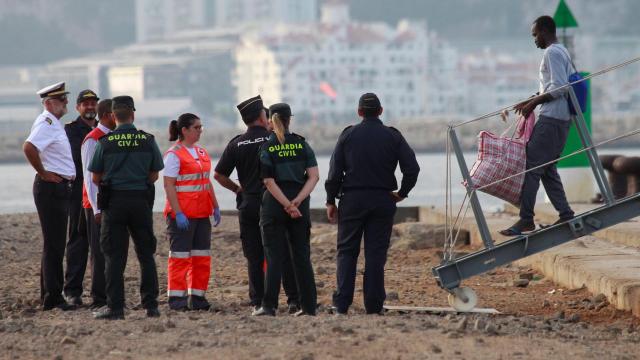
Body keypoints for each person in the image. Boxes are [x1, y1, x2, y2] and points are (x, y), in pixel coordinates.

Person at [325, 93, 420, 315]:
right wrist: (402, 193)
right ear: (381, 111)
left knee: (347, 251)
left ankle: (341, 305)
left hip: (352, 200)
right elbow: (412, 169)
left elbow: (334, 172)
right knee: (376, 254)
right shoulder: (393, 136)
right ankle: (374, 306)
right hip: (382, 199)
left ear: (359, 112)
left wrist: (330, 200)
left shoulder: (348, 135)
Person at [214, 95, 300, 313]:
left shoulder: (236, 143)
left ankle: (258, 302)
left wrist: (237, 189)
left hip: (248, 204)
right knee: (282, 253)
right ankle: (293, 300)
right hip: (273, 203)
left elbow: (219, 175)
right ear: (263, 117)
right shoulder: (274, 139)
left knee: (254, 257)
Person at [89, 95, 163, 320]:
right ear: (133, 114)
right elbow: (154, 174)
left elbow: (94, 177)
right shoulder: (147, 140)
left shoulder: (105, 143)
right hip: (140, 201)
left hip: (114, 203)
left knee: (114, 257)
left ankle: (116, 308)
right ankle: (151, 306)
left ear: (113, 116)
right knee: (146, 255)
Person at [499, 15, 575, 236]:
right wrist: (531, 99)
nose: (534, 40)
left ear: (544, 31)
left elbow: (559, 87)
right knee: (547, 169)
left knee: (531, 167)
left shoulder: (551, 52)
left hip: (552, 119)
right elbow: (553, 85)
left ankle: (526, 219)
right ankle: (565, 213)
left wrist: (534, 102)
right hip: (559, 119)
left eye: (535, 35)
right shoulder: (563, 51)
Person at [252, 102, 319, 317]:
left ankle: (269, 306)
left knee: (274, 256)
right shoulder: (302, 144)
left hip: (274, 205)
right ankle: (308, 307)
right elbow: (314, 176)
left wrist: (285, 205)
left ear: (270, 121)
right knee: (301, 256)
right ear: (291, 119)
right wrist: (297, 201)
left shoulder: (267, 146)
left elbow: (269, 182)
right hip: (300, 205)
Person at [23, 81, 78, 311]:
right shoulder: (46, 122)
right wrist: (43, 173)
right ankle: (53, 297)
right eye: (61, 99)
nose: (66, 103)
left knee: (53, 244)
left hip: (59, 188)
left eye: (65, 98)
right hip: (51, 188)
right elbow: (29, 147)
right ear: (48, 103)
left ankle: (49, 293)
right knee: (54, 245)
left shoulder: (54, 123)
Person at [163, 113, 221, 311]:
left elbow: (206, 181)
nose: (200, 131)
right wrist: (178, 212)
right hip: (183, 216)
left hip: (202, 214)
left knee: (201, 257)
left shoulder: (201, 152)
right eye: (196, 127)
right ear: (185, 130)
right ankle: (177, 300)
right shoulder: (174, 154)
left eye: (200, 127)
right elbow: (169, 185)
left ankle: (198, 297)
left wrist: (215, 205)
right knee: (179, 258)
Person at [63, 89, 99, 306]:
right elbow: (78, 158)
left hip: (100, 193)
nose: (90, 107)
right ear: (78, 107)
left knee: (99, 244)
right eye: (85, 104)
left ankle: (99, 292)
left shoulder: (104, 129)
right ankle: (72, 290)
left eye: (93, 103)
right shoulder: (71, 131)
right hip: (78, 192)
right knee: (77, 241)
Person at [80, 98, 117, 309]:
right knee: (99, 251)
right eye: (115, 114)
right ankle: (99, 298)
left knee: (112, 250)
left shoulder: (113, 137)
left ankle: (111, 295)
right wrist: (96, 208)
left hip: (113, 202)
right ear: (107, 115)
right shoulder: (93, 139)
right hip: (96, 204)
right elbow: (88, 177)